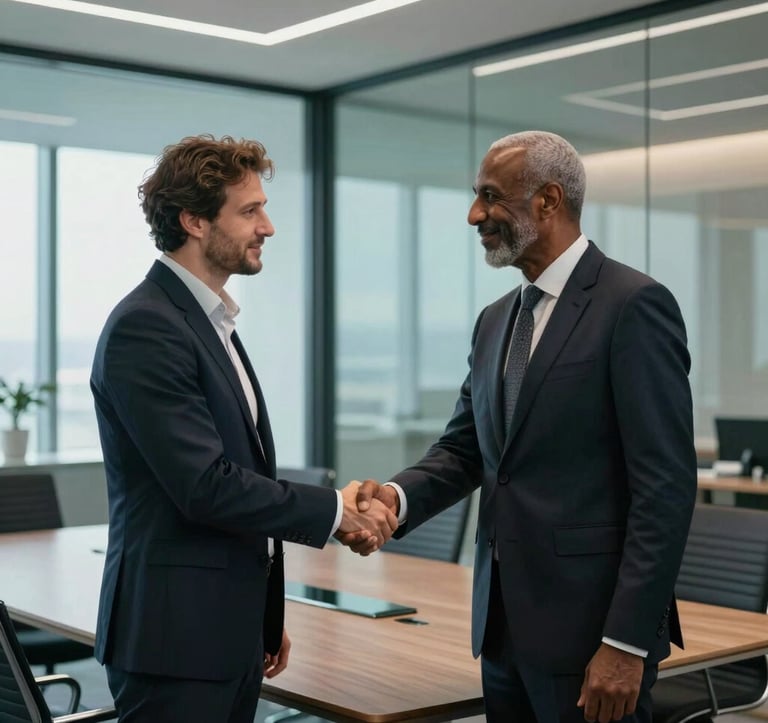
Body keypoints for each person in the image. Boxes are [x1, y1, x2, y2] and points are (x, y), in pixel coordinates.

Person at [346, 131, 697, 723]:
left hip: (594, 642)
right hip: (503, 631)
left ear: (548, 202)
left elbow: (664, 489)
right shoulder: (495, 321)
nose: (474, 215)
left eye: (490, 197)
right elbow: (465, 450)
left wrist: (626, 643)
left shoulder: (634, 305)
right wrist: (395, 496)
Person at [90, 134, 396, 723]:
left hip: (221, 633)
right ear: (194, 221)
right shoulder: (147, 327)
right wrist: (336, 511)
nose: (269, 227)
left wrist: (260, 618)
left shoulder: (210, 321)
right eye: (250, 210)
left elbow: (240, 473)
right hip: (174, 643)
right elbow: (205, 484)